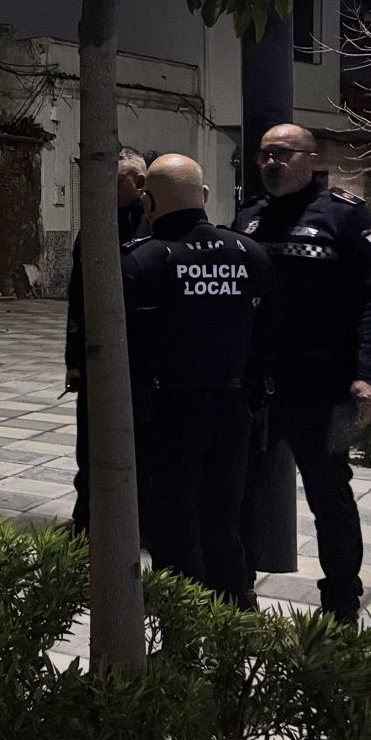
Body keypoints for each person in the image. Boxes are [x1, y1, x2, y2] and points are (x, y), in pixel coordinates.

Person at [235, 123, 371, 624]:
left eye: (282, 154)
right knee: (242, 489)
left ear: (310, 158)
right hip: (259, 385)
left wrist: (370, 375)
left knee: (330, 492)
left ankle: (341, 605)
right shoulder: (248, 219)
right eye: (264, 155)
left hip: (324, 388)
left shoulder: (344, 216)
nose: (271, 163)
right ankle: (237, 598)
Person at [121, 155, 275, 602]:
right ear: (204, 196)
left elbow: (124, 350)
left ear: (148, 201)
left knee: (172, 528)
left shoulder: (140, 261)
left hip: (167, 415)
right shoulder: (250, 254)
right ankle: (235, 618)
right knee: (225, 523)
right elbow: (269, 338)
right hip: (234, 412)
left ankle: (182, 626)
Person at [66, 149, 151, 535]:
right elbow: (77, 299)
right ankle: (86, 520)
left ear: (139, 183)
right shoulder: (94, 229)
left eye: (115, 181)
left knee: (143, 444)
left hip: (143, 359)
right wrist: (73, 360)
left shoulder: (152, 227)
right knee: (90, 444)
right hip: (98, 355)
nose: (107, 189)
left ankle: (139, 520)